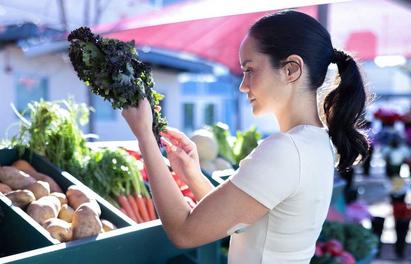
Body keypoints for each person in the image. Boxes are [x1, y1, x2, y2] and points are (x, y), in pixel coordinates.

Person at [122, 10, 370, 264]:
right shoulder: (315, 142)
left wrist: (145, 137)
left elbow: (184, 232)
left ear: (291, 70)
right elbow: (242, 222)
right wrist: (192, 174)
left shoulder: (286, 149)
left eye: (250, 69)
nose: (243, 85)